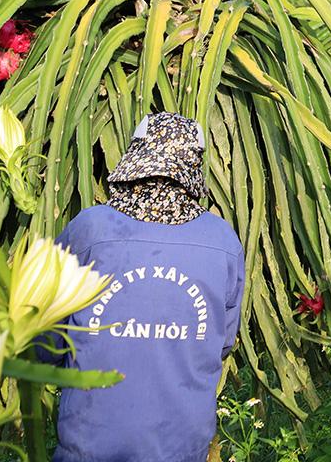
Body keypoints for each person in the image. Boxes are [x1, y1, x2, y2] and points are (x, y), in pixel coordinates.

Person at [46, 112, 245, 462]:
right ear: (193, 168)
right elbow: (221, 342)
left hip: (89, 446)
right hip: (182, 448)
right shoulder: (223, 241)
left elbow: (45, 333)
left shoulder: (90, 230)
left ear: (135, 159)